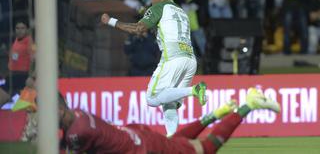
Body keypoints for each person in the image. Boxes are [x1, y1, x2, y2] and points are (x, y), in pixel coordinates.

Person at [101, 0, 206, 136]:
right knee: (169, 104)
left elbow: (138, 28)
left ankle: (194, 90)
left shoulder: (158, 7)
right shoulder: (181, 11)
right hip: (190, 60)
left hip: (173, 58)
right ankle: (172, 140)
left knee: (152, 98)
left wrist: (111, 21)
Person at [59, 87, 281, 153]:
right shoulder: (78, 114)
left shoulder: (78, 132)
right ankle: (215, 114)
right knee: (175, 143)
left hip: (143, 148)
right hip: (136, 137)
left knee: (206, 149)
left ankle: (249, 104)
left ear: (60, 110)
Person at [0, 21, 35, 107]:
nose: (19, 31)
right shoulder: (17, 40)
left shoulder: (29, 42)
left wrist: (32, 77)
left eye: (22, 28)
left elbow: (35, 59)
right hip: (12, 76)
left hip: (22, 77)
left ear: (27, 30)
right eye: (17, 28)